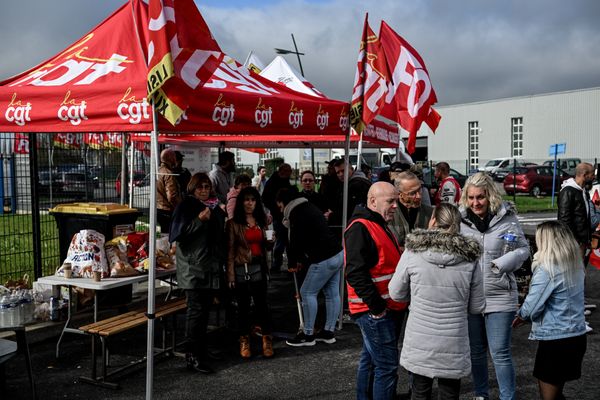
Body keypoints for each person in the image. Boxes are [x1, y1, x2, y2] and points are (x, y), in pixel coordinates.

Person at [389, 203, 485, 400]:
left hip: (420, 340)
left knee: (419, 393)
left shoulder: (413, 252)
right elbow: (477, 306)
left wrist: (416, 296)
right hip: (453, 341)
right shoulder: (470, 258)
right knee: (450, 395)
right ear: (458, 224)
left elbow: (396, 293)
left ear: (432, 221)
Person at [459, 172, 530, 400]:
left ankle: (507, 397)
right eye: (470, 198)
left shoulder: (507, 217)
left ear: (490, 196)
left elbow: (523, 249)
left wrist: (502, 263)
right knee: (477, 353)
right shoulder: (459, 220)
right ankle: (481, 394)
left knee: (500, 353)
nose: (475, 203)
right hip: (470, 297)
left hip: (500, 295)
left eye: (480, 197)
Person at [344, 181, 409, 400]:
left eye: (396, 201)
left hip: (381, 307)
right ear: (372, 201)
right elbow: (354, 272)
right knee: (387, 366)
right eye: (390, 201)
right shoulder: (361, 227)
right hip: (376, 310)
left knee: (372, 360)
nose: (395, 206)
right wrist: (377, 307)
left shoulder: (375, 223)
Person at [513, 221, 587, 400]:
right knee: (557, 393)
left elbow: (532, 307)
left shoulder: (547, 269)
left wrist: (520, 316)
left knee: (549, 397)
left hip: (556, 341)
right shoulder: (575, 265)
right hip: (577, 336)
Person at [169, 173, 226, 374]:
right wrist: (199, 221)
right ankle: (192, 356)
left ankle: (201, 351)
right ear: (192, 189)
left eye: (207, 186)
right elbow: (177, 236)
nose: (204, 190)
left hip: (210, 268)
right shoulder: (186, 206)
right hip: (193, 270)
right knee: (195, 313)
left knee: (203, 314)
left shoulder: (213, 206)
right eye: (199, 187)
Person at [275, 189, 343, 346]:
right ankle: (328, 332)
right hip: (337, 253)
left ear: (284, 202)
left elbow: (294, 242)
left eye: (280, 206)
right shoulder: (309, 206)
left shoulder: (296, 213)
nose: (280, 210)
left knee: (307, 293)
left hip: (322, 257)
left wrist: (292, 262)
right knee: (332, 293)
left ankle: (307, 334)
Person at [226, 187, 274, 359]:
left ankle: (267, 340)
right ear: (241, 202)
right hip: (241, 270)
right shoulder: (232, 223)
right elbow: (230, 251)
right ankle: (244, 340)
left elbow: (267, 247)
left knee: (263, 307)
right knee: (243, 308)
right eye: (246, 199)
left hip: (259, 268)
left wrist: (271, 241)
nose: (249, 203)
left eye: (253, 200)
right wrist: (230, 274)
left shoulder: (262, 221)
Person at [262, 163, 297, 272]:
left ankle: (283, 264)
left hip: (283, 214)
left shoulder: (279, 180)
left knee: (284, 241)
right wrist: (276, 208)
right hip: (279, 215)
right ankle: (279, 264)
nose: (290, 174)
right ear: (282, 171)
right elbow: (266, 198)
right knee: (282, 240)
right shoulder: (274, 182)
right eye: (288, 171)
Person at [558, 162, 595, 257]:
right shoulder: (568, 191)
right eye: (592, 174)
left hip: (582, 242)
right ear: (584, 175)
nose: (594, 177)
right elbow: (564, 220)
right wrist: (575, 241)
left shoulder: (583, 191)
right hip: (573, 243)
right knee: (573, 270)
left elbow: (584, 216)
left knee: (580, 270)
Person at [389, 171, 433, 248]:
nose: (419, 196)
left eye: (419, 190)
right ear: (399, 194)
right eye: (412, 193)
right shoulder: (389, 214)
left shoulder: (430, 213)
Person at [157, 148, 183, 234]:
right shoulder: (168, 174)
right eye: (174, 157)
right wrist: (179, 208)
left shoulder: (158, 171)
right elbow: (172, 196)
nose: (175, 159)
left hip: (159, 208)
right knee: (171, 234)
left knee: (164, 233)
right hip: (167, 210)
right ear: (170, 158)